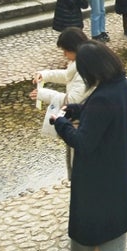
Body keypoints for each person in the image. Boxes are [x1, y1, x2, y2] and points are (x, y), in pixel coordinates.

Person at [52, 40, 127, 251]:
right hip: (116, 166)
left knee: (98, 232)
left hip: (96, 175)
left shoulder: (102, 97)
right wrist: (77, 110)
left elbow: (83, 142)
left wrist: (61, 123)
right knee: (114, 223)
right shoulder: (123, 85)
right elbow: (104, 116)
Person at [30, 27, 92, 174]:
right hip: (81, 116)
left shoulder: (84, 67)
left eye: (65, 51)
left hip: (82, 120)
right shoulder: (81, 61)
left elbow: (71, 100)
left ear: (73, 48)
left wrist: (43, 94)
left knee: (79, 162)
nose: (64, 54)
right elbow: (67, 76)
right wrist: (45, 75)